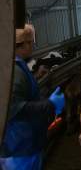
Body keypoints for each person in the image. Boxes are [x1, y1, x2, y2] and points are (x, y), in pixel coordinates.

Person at [0, 24, 65, 170]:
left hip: (22, 143)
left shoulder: (15, 66)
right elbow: (13, 108)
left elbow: (19, 94)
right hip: (19, 147)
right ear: (22, 45)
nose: (32, 46)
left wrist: (35, 78)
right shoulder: (15, 71)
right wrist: (50, 104)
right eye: (30, 43)